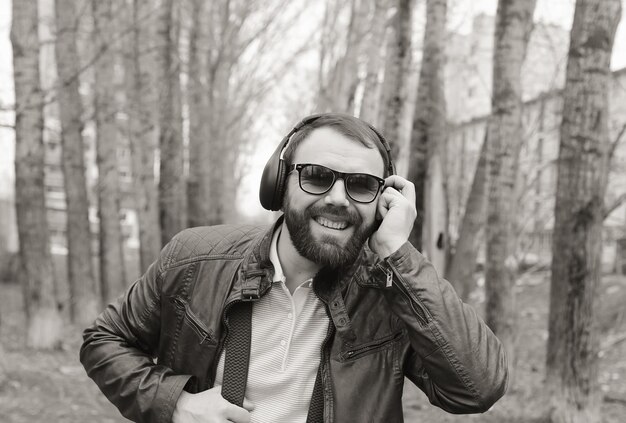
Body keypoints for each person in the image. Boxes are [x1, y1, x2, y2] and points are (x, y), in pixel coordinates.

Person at [80, 113, 508, 423]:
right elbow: (104, 341)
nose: (338, 198)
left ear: (382, 203)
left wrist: (398, 251)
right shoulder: (195, 259)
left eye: (361, 185)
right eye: (318, 176)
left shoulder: (391, 292)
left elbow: (477, 387)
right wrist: (176, 403)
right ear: (279, 183)